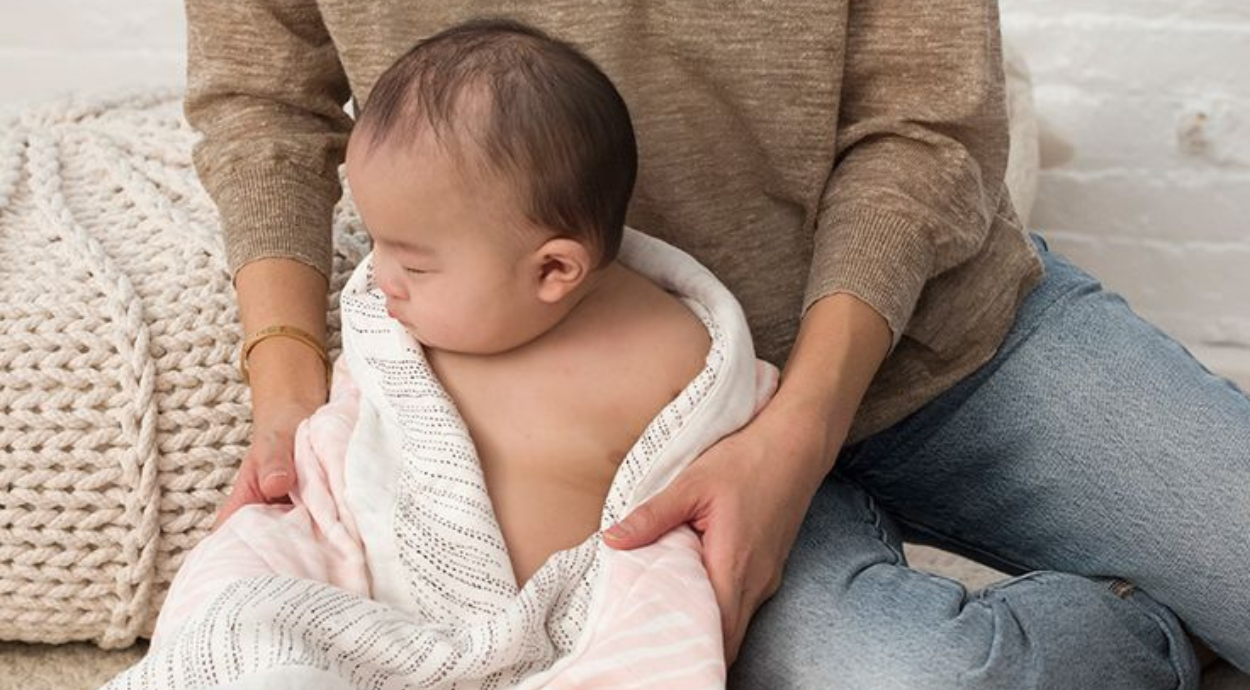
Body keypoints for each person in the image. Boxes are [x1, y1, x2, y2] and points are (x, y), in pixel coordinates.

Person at [184, 0, 1248, 687]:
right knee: (918, 679)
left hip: (945, 344)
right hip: (653, 449)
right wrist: (288, 384)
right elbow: (263, 102)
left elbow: (923, 127)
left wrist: (796, 432)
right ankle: (1144, 638)